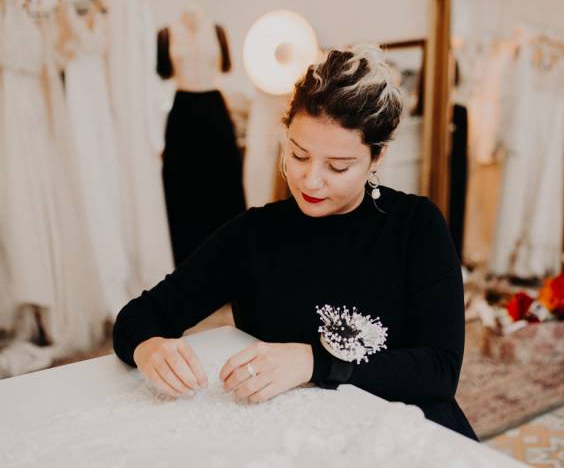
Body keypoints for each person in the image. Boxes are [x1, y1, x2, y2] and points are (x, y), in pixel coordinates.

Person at [113, 44, 478, 440]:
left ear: (377, 157)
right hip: (294, 438)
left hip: (405, 432)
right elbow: (140, 316)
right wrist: (148, 347)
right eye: (299, 155)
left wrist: (313, 362)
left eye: (338, 166)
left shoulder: (416, 226)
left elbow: (439, 372)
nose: (311, 180)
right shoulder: (252, 234)